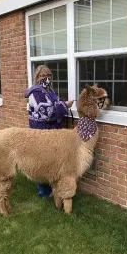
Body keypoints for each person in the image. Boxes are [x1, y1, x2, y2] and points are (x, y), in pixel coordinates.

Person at [24, 65, 74, 197]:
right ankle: (44, 192)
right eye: (42, 76)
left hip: (51, 133)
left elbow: (53, 105)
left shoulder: (49, 91)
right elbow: (48, 113)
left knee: (51, 161)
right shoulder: (37, 92)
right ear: (37, 77)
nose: (46, 78)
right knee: (42, 162)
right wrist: (65, 105)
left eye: (48, 76)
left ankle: (52, 189)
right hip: (42, 133)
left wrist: (60, 104)